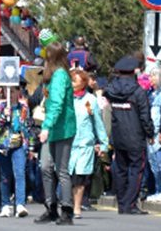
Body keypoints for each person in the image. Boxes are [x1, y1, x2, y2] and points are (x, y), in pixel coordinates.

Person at [104, 56, 153, 214]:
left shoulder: (111, 91)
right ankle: (130, 204)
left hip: (118, 136)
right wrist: (150, 133)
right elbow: (145, 116)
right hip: (135, 137)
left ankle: (122, 203)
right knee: (136, 170)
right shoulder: (138, 92)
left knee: (121, 170)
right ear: (134, 71)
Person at [36, 41, 76, 225]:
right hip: (52, 128)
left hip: (62, 128)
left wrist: (46, 126)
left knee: (61, 170)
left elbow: (58, 104)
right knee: (45, 166)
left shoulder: (60, 75)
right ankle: (50, 207)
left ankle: (67, 210)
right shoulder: (53, 76)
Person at [67, 68, 108, 220]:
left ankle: (77, 207)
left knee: (80, 177)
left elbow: (98, 123)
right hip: (68, 144)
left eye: (75, 81)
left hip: (85, 144)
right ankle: (67, 204)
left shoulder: (90, 100)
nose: (72, 84)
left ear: (83, 83)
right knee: (68, 177)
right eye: (71, 81)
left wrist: (103, 144)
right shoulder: (66, 99)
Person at [0, 83, 30, 219]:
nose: (10, 94)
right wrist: (3, 116)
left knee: (19, 173)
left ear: (18, 92)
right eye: (8, 91)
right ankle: (5, 204)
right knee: (5, 176)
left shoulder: (23, 108)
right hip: (3, 146)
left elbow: (26, 127)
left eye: (13, 91)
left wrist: (28, 146)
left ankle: (20, 204)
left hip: (18, 145)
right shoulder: (0, 108)